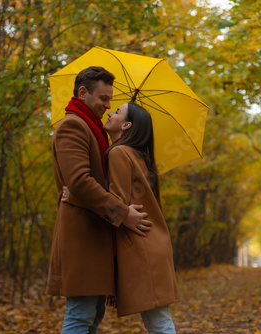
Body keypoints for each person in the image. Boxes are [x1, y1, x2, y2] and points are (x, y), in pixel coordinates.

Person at [46, 66, 153, 334]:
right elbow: (79, 182)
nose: (108, 105)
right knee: (81, 315)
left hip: (96, 234)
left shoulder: (94, 128)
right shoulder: (73, 125)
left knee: (92, 316)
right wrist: (123, 213)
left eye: (110, 99)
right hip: (81, 235)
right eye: (103, 98)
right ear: (83, 93)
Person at [63, 102, 179, 333]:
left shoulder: (118, 152)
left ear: (126, 125)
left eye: (117, 112)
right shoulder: (139, 155)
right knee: (159, 320)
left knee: (158, 323)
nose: (109, 112)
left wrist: (75, 196)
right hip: (153, 243)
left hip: (143, 246)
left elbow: (116, 202)